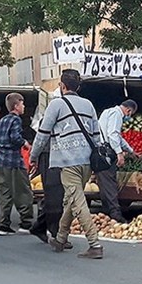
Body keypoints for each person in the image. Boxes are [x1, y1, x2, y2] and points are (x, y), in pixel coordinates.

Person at [30, 68, 104, 260]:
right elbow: (97, 135)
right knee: (71, 200)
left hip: (67, 162)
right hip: (86, 161)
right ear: (78, 86)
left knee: (78, 202)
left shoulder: (56, 105)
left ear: (62, 86)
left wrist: (33, 155)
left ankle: (94, 244)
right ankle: (61, 238)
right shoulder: (88, 105)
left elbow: (43, 134)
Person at [0, 93, 34, 236]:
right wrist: (25, 143)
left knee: (4, 194)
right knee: (23, 192)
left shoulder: (3, 120)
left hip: (1, 162)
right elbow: (15, 137)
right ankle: (26, 223)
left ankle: (4, 226)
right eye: (22, 104)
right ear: (16, 106)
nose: (23, 107)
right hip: (15, 162)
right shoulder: (16, 120)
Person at [96, 99, 138, 223]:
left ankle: (106, 213)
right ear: (128, 110)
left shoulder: (107, 112)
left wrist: (130, 150)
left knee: (104, 184)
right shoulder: (117, 114)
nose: (128, 117)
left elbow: (118, 137)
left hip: (100, 153)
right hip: (107, 154)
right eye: (130, 115)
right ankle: (115, 213)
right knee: (109, 183)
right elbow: (113, 135)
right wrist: (120, 153)